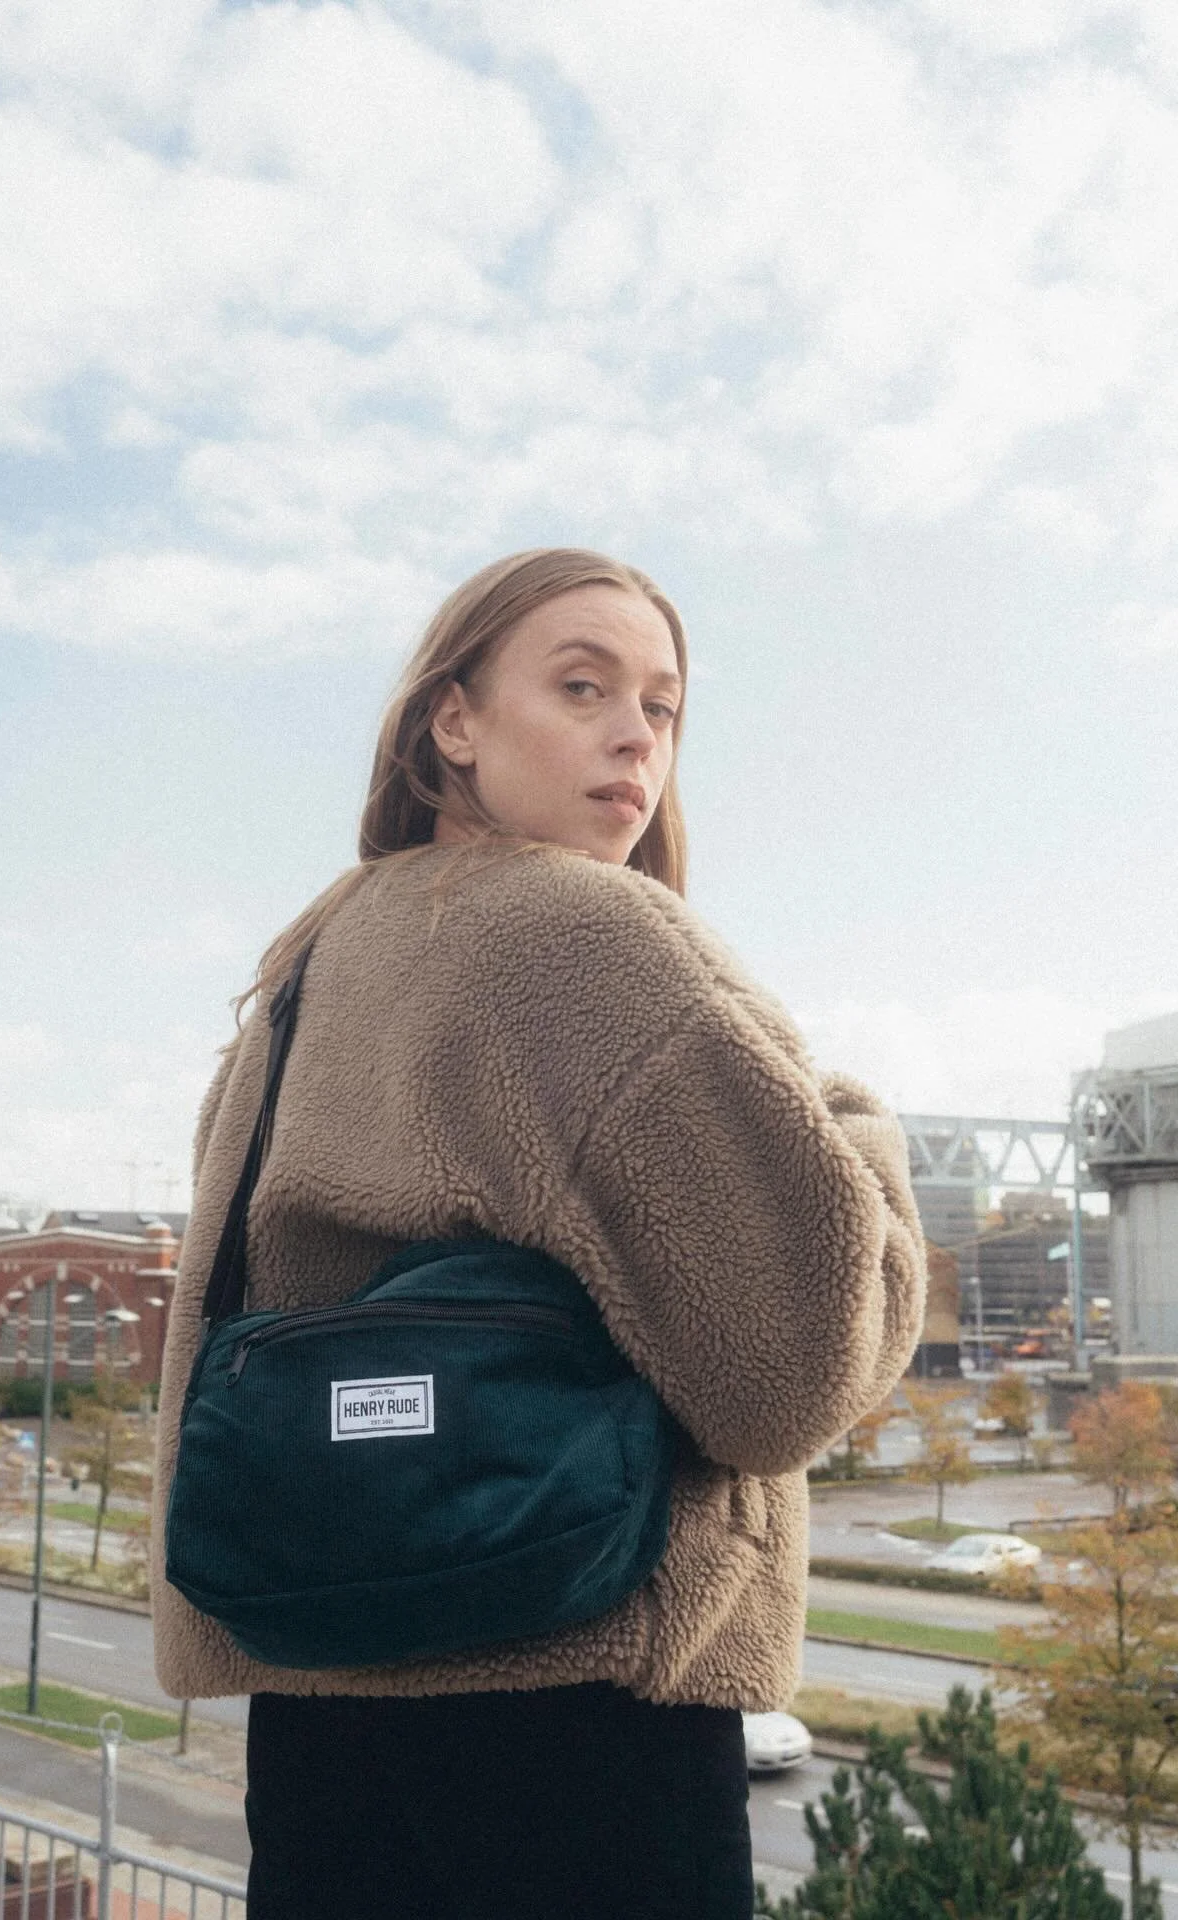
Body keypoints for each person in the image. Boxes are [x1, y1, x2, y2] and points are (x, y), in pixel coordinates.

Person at [152, 548, 927, 1918]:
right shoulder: (585, 936)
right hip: (579, 1709)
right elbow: (793, 1373)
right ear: (452, 721)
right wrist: (855, 1129)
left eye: (662, 707)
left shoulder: (308, 969)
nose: (637, 737)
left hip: (320, 1717)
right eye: (583, 686)